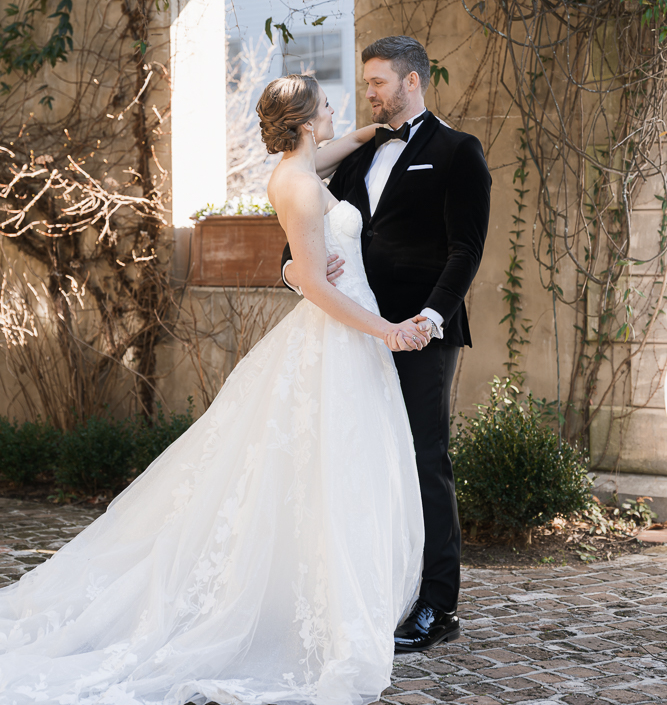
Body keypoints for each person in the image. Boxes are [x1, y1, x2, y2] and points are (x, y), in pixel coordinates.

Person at [0, 73, 430, 705]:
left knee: (329, 476)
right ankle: (315, 616)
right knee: (325, 476)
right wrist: (386, 330)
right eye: (332, 106)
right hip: (339, 338)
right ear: (309, 122)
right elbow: (313, 283)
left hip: (342, 342)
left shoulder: (301, 166)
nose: (341, 111)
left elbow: (327, 163)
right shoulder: (299, 187)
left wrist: (370, 131)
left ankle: (325, 599)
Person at [282, 36, 492, 652]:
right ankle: (378, 589)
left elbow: (466, 249)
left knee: (426, 460)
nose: (368, 93)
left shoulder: (458, 153)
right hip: (353, 331)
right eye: (366, 82)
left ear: (413, 82)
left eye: (378, 83)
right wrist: (294, 274)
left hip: (422, 331)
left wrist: (430, 317)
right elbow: (304, 235)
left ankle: (437, 604)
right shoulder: (355, 155)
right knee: (362, 459)